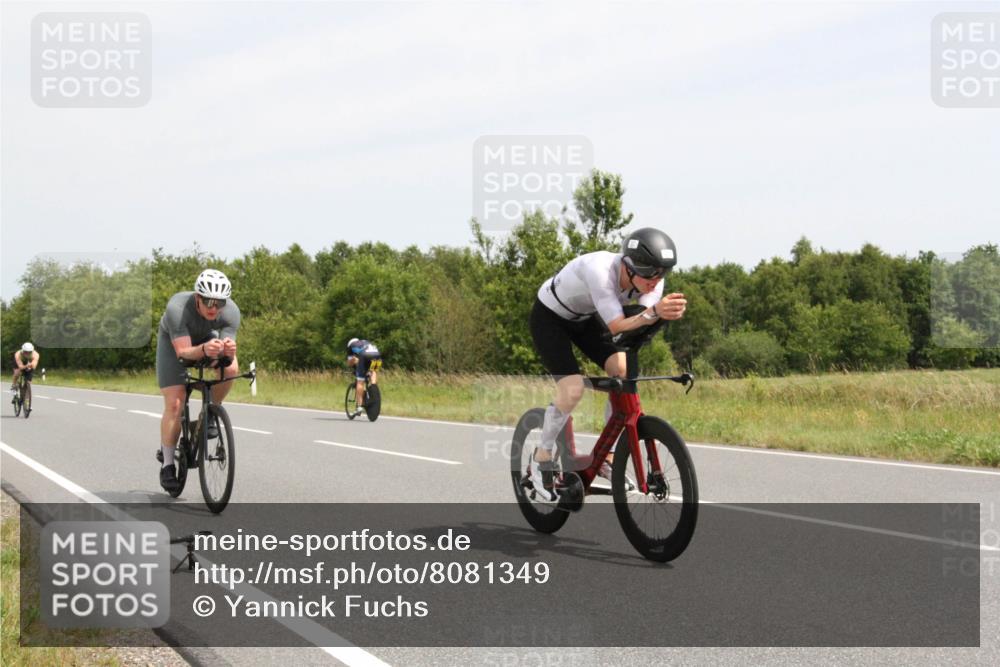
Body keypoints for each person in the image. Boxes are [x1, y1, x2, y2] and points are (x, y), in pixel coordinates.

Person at [528, 228, 687, 500]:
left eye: (662, 273)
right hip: (550, 317)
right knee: (572, 388)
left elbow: (638, 321)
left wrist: (661, 315)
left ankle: (606, 455)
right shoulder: (600, 271)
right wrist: (656, 313)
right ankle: (541, 459)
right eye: (649, 273)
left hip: (585, 318)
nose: (656, 281)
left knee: (621, 372)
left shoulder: (653, 279)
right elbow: (616, 326)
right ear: (628, 266)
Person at [155, 269, 241, 492]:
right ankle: (167, 464)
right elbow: (183, 353)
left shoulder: (231, 312)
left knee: (231, 368)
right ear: (197, 298)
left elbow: (225, 358)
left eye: (219, 303)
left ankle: (210, 413)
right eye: (208, 302)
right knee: (175, 402)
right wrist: (204, 349)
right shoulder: (177, 308)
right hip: (175, 344)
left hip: (205, 340)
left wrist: (227, 352)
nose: (214, 308)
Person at [346, 338, 381, 417]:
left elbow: (350, 362)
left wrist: (354, 363)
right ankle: (373, 388)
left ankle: (359, 407)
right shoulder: (365, 342)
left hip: (365, 355)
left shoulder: (351, 347)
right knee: (373, 371)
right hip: (377, 354)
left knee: (360, 382)